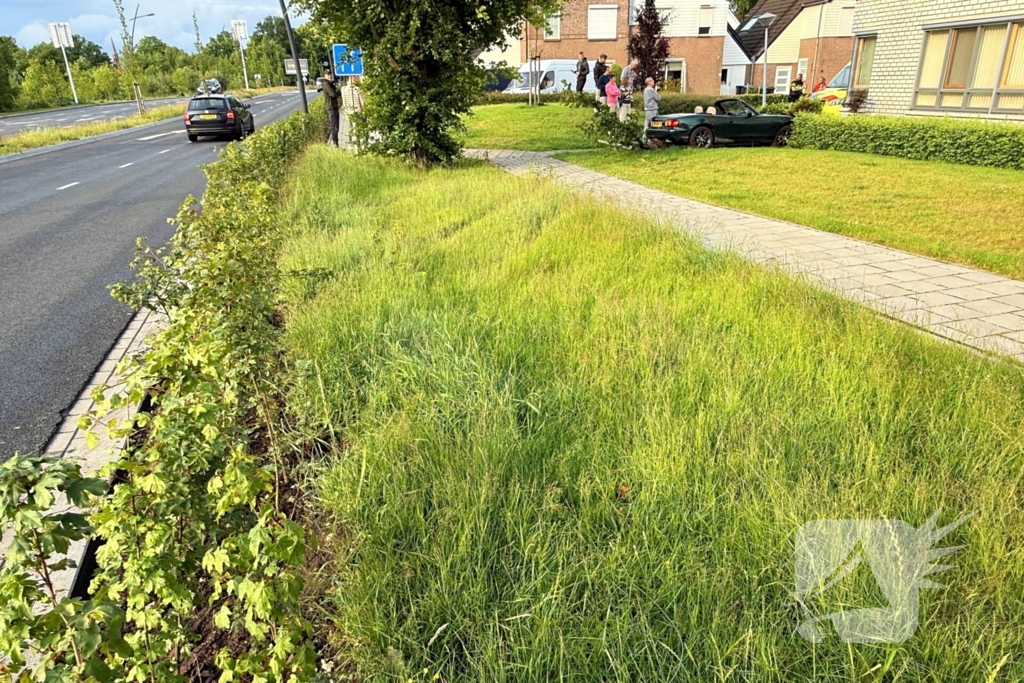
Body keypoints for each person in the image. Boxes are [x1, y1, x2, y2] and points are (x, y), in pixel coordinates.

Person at [341, 76, 365, 150]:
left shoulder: (344, 91)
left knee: (351, 128)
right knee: (359, 128)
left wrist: (346, 111)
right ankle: (361, 145)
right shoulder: (357, 89)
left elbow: (344, 103)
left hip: (349, 112)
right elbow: (362, 101)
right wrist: (364, 109)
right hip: (358, 111)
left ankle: (353, 145)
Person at [321, 69, 341, 146]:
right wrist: (335, 91)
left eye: (330, 74)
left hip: (334, 107)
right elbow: (333, 94)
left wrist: (336, 91)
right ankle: (335, 143)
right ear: (325, 76)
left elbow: (339, 92)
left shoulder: (330, 84)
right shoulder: (326, 84)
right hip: (331, 107)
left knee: (337, 126)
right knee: (334, 127)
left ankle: (336, 142)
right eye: (328, 74)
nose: (329, 76)